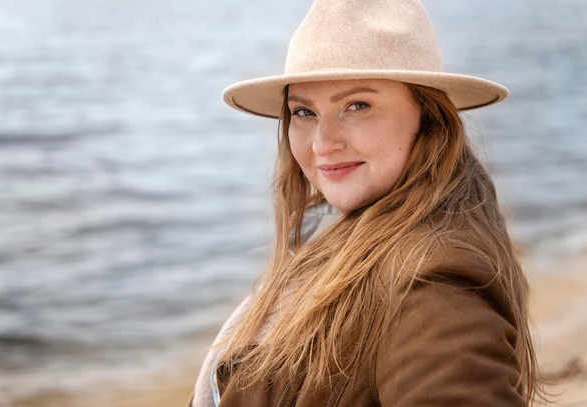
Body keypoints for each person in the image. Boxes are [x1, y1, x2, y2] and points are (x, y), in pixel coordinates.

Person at [191, 0, 542, 405]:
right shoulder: (349, 234)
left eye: (357, 106)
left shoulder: (434, 284)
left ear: (428, 117)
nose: (323, 143)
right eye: (303, 111)